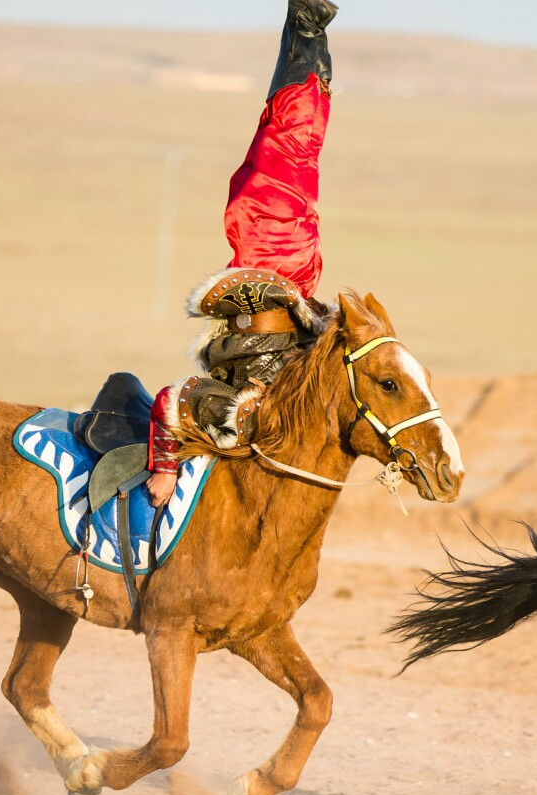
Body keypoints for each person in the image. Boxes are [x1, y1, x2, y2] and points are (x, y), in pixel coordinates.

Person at [146, 0, 340, 505]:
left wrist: (164, 467)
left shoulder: (266, 243)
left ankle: (305, 25)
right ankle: (307, 28)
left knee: (293, 138)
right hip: (286, 272)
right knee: (298, 137)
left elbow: (172, 400)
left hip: (270, 256)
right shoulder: (263, 390)